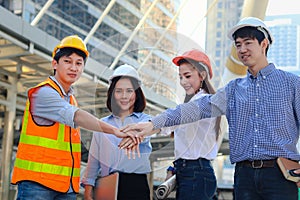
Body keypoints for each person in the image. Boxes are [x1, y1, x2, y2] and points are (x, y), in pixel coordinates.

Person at [121, 17, 300, 200]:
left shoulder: (292, 84)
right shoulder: (233, 90)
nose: (242, 49)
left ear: (264, 44)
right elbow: (194, 109)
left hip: (281, 176)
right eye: (238, 45)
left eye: (248, 43)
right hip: (244, 177)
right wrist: (151, 125)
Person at [11, 35, 134, 200]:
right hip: (38, 185)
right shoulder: (42, 93)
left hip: (65, 186)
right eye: (67, 61)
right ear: (55, 64)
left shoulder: (71, 99)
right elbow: (77, 116)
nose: (73, 68)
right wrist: (114, 131)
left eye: (78, 63)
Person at [81, 64, 152, 200]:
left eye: (129, 91)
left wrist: (137, 136)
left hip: (137, 186)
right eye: (119, 91)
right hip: (108, 185)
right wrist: (88, 191)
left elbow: (148, 133)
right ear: (112, 94)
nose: (124, 96)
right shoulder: (102, 125)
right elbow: (94, 162)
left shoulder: (147, 121)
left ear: (137, 93)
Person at [158, 49, 221, 199]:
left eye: (187, 76)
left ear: (202, 75)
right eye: (180, 77)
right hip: (191, 172)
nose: (183, 82)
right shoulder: (194, 101)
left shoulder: (204, 101)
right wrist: (175, 168)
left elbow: (173, 119)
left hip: (195, 173)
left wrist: (146, 126)